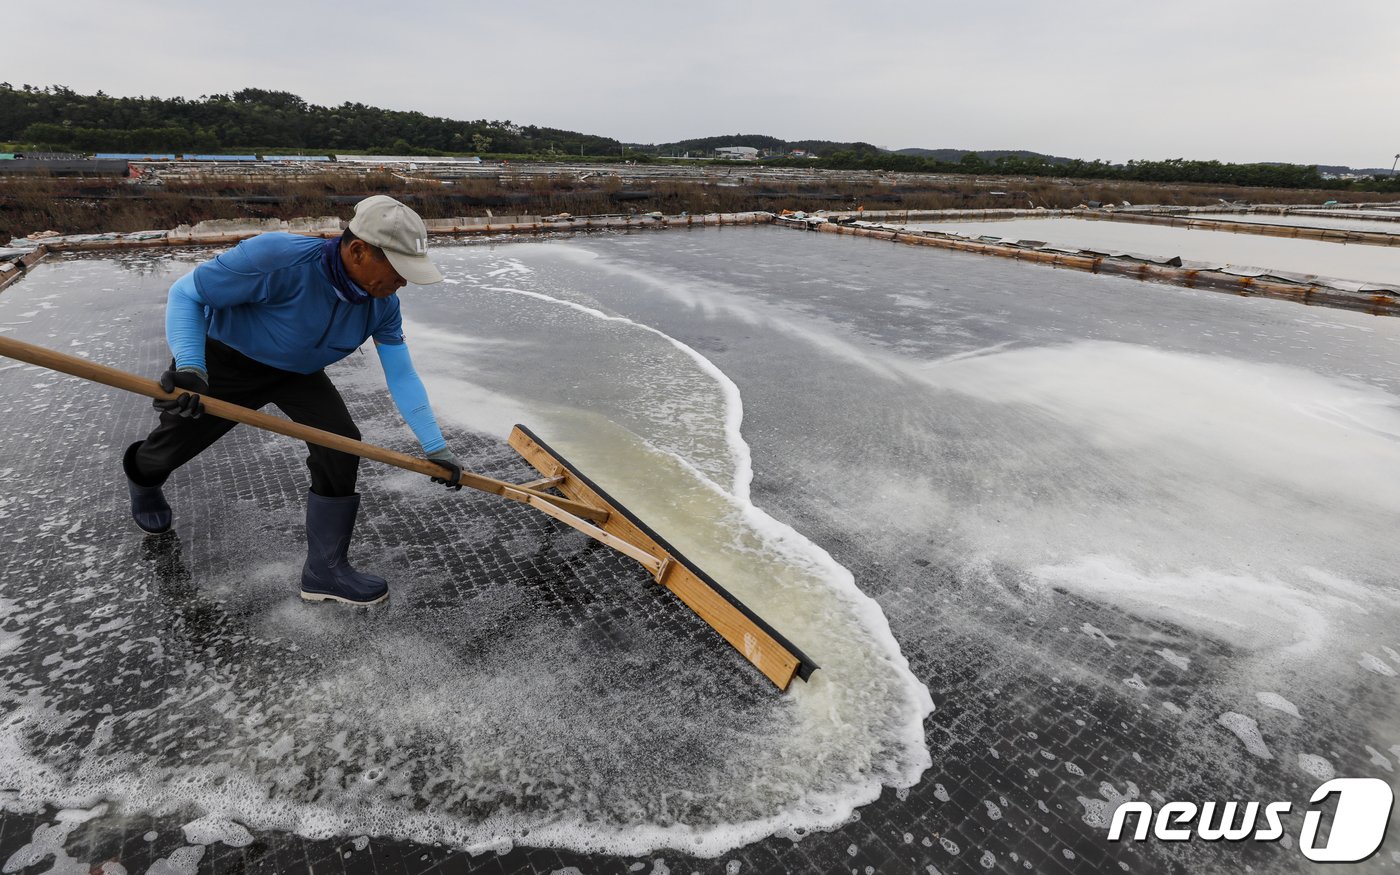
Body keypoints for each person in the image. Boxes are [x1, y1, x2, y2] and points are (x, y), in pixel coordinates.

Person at [122, 195, 463, 606]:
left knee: (341, 446)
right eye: (398, 270)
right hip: (225, 361)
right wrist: (193, 368)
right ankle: (143, 480)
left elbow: (402, 373)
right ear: (357, 250)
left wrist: (435, 446)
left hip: (298, 374)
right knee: (172, 446)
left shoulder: (382, 306)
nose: (403, 282)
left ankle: (324, 571)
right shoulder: (275, 258)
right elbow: (186, 293)